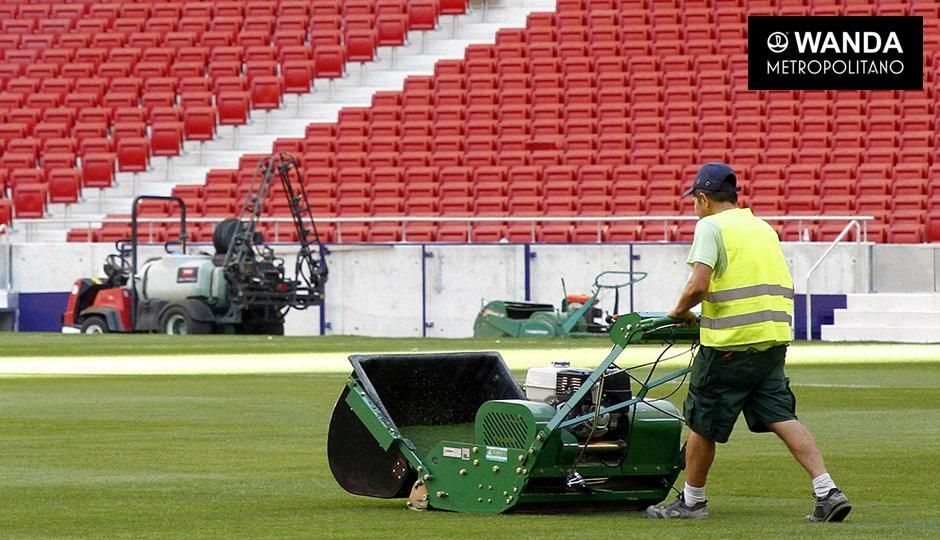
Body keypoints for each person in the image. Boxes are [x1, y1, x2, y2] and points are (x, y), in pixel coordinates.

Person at [645, 163, 851, 522]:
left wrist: (678, 311)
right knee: (781, 415)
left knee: (701, 421)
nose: (694, 206)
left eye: (694, 200)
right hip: (771, 341)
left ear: (704, 199)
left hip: (729, 345)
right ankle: (827, 490)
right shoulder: (762, 227)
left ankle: (692, 502)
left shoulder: (710, 227)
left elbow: (699, 284)